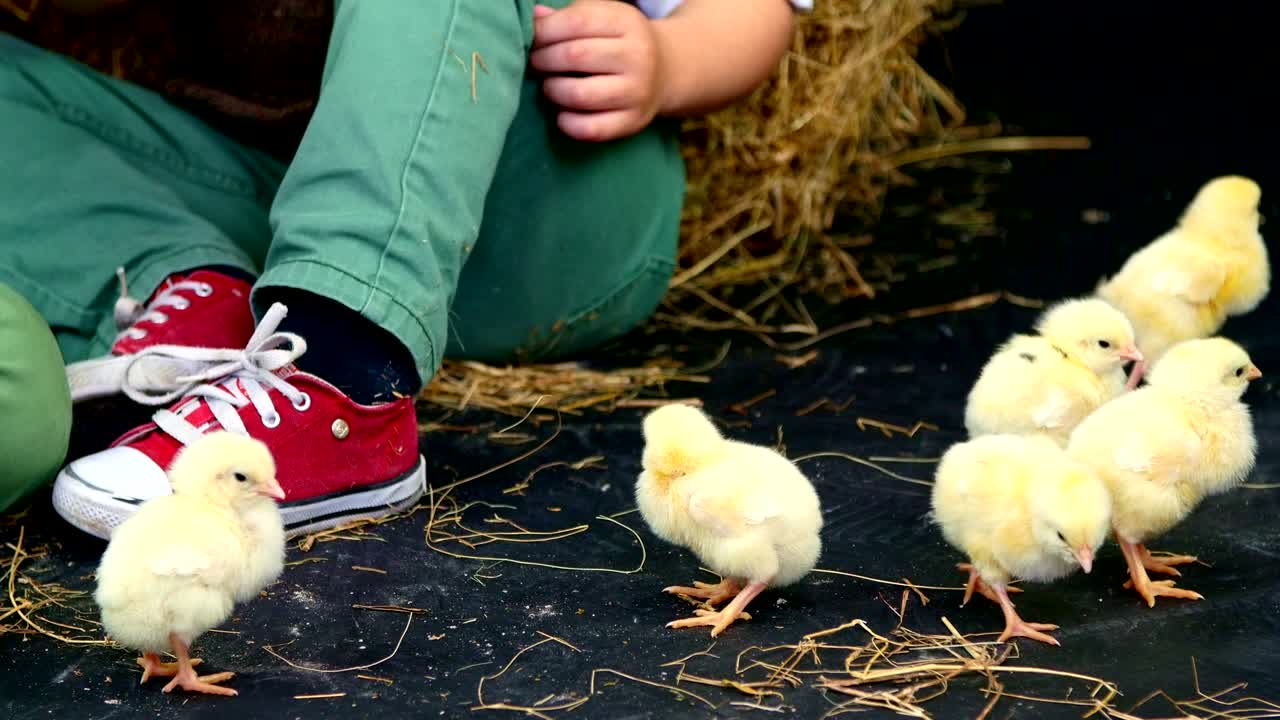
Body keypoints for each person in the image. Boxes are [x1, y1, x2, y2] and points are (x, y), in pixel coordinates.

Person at [0, 0, 807, 538]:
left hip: (530, 201)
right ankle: (207, 296)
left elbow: (756, 13)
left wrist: (668, 58)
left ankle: (344, 375)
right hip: (267, 191)